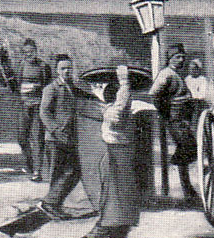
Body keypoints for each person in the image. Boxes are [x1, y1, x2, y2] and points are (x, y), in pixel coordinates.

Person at [81, 66, 140, 238]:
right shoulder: (111, 108)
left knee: (115, 190)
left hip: (118, 151)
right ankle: (111, 224)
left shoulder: (117, 110)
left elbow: (119, 107)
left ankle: (107, 225)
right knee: (113, 189)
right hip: (116, 151)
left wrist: (124, 82)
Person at [149, 43, 197, 202]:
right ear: (170, 59)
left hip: (183, 119)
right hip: (175, 119)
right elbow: (154, 94)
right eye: (177, 57)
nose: (181, 59)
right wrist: (165, 112)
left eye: (183, 56)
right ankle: (187, 188)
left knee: (190, 148)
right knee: (187, 147)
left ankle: (187, 188)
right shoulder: (166, 74)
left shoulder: (176, 74)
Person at [36, 54, 80, 220]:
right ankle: (51, 206)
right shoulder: (51, 88)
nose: (67, 71)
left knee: (73, 171)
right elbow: (44, 112)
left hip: (69, 138)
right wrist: (55, 129)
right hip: (55, 138)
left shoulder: (72, 87)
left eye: (69, 67)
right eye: (63, 68)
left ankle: (53, 204)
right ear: (57, 70)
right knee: (57, 173)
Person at [16, 38, 51, 182]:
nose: (29, 54)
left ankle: (37, 171)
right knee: (22, 137)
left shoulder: (43, 66)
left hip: (38, 106)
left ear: (36, 51)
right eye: (25, 52)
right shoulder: (21, 65)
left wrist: (38, 90)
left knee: (37, 138)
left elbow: (48, 87)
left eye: (31, 51)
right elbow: (18, 84)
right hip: (25, 106)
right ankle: (29, 165)